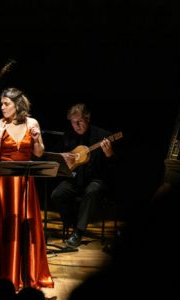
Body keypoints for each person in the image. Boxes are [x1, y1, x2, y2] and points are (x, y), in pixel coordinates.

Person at [0, 87, 53, 290]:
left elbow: (39, 153)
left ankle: (26, 274)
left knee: (26, 227)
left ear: (17, 105)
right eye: (1, 104)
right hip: (3, 184)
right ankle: (4, 274)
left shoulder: (31, 123)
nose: (2, 107)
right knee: (5, 226)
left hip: (25, 183)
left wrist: (36, 139)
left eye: (6, 104)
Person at [51, 103, 117, 249]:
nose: (76, 126)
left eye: (79, 121)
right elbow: (56, 156)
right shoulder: (68, 136)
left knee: (92, 191)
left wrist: (109, 155)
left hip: (95, 180)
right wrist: (63, 157)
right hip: (75, 180)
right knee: (57, 194)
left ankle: (78, 233)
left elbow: (114, 167)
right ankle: (74, 225)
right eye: (73, 122)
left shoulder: (102, 136)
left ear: (87, 118)